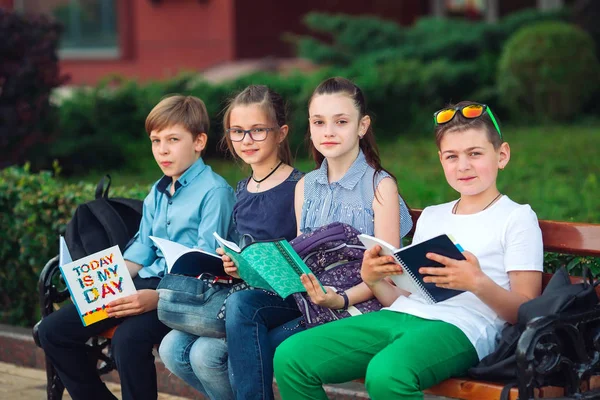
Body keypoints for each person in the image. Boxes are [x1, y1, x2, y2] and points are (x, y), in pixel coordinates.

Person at [273, 101, 544, 400]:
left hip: (463, 328)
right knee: (292, 356)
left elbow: (526, 310)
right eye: (452, 156)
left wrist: (476, 283)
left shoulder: (516, 217)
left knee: (387, 374)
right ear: (441, 160)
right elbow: (406, 297)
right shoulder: (432, 216)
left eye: (475, 154)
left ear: (502, 155)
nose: (463, 165)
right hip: (402, 315)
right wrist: (374, 279)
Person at [37, 95, 236, 400]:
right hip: (143, 283)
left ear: (199, 141)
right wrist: (105, 280)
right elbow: (142, 246)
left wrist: (156, 298)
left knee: (128, 340)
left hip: (183, 297)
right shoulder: (157, 190)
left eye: (172, 139)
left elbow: (205, 266)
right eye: (156, 141)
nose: (162, 150)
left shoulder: (215, 192)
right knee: (53, 331)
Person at [225, 77, 413, 400]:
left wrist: (337, 299)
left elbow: (388, 277)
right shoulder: (306, 186)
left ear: (362, 126)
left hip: (359, 305)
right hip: (311, 300)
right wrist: (253, 267)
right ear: (309, 127)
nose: (328, 131)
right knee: (241, 304)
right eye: (318, 122)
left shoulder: (380, 187)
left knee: (266, 349)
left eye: (341, 122)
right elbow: (303, 261)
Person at [158, 85, 303, 400]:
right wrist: (232, 264)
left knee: (206, 355)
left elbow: (303, 258)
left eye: (257, 131)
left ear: (281, 133)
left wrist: (254, 268)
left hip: (282, 300)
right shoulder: (242, 188)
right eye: (237, 131)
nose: (246, 140)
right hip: (239, 296)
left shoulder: (299, 186)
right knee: (172, 348)